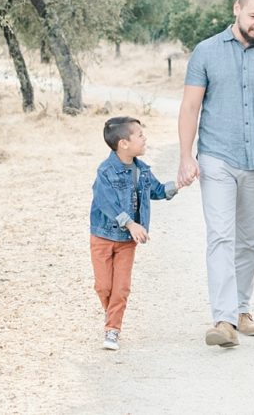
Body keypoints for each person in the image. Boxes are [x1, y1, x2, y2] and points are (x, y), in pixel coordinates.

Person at [177, 0, 254, 348]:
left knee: (250, 241)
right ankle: (223, 319)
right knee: (221, 236)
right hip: (216, 158)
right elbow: (190, 107)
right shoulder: (206, 52)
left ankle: (243, 309)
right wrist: (184, 157)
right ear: (237, 9)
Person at [90, 116, 178, 351]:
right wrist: (130, 224)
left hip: (127, 242)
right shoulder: (106, 171)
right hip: (102, 237)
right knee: (103, 287)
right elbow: (106, 202)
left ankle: (112, 329)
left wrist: (177, 184)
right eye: (139, 135)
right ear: (123, 144)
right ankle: (112, 314)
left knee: (121, 288)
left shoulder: (143, 170)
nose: (144, 138)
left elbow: (157, 191)